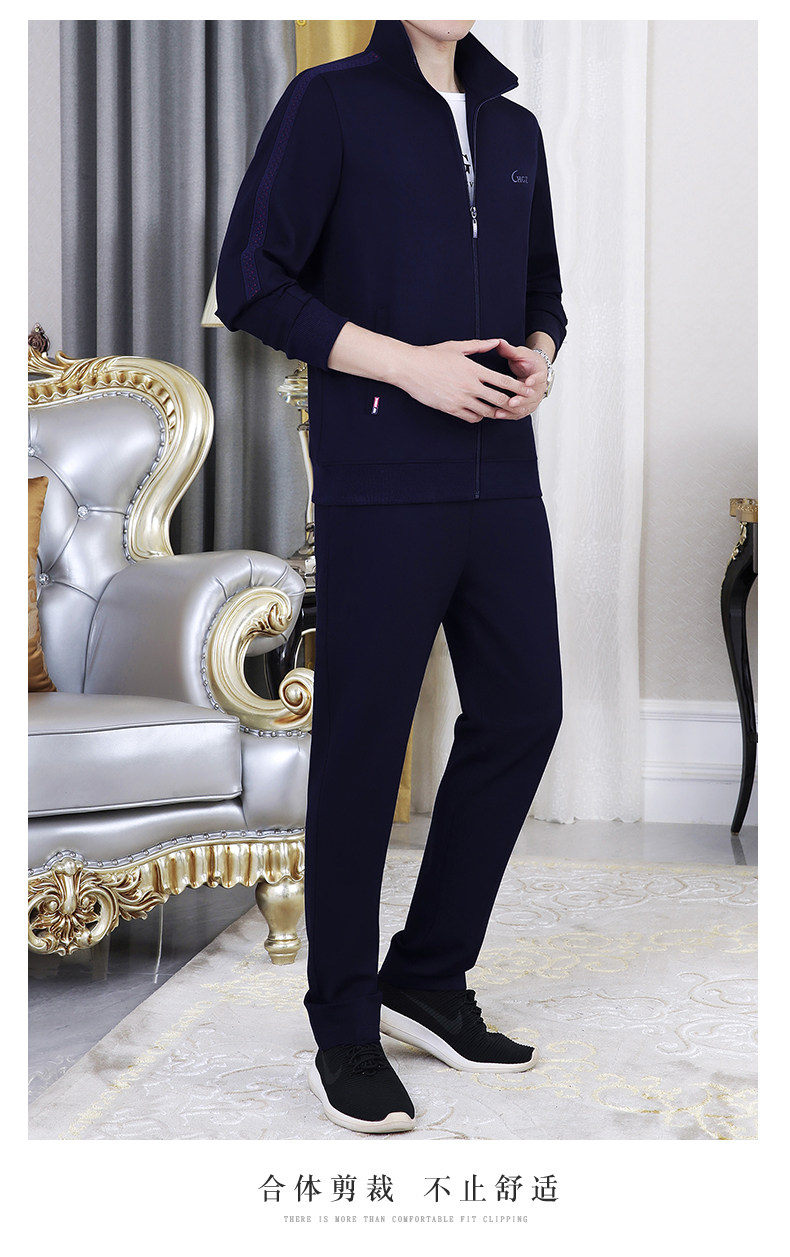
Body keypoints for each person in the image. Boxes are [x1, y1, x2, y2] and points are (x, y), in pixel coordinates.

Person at [216, 18, 566, 1135]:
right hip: (380, 473)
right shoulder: (329, 103)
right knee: (365, 743)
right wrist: (408, 366)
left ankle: (426, 976)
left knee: (524, 711)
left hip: (501, 472)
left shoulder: (513, 126)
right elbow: (252, 281)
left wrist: (538, 360)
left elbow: (542, 290)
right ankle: (344, 1022)